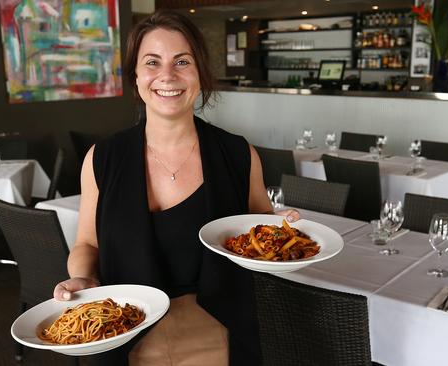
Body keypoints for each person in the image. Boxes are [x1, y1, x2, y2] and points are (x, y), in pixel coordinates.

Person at [53, 10, 298, 366]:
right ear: (135, 76)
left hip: (219, 335)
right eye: (152, 62)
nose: (167, 75)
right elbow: (87, 243)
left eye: (182, 61)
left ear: (200, 73)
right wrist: (82, 277)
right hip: (124, 334)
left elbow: (259, 229)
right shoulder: (102, 159)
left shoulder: (238, 154)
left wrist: (283, 231)